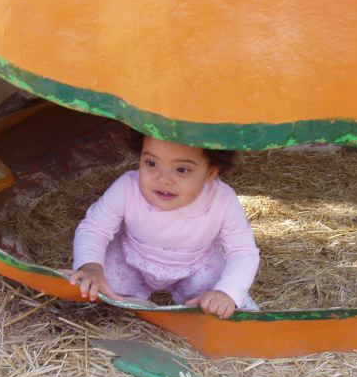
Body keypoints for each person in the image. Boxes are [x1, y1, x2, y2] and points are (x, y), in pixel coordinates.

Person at [65, 132, 260, 319]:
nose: (163, 179)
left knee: (220, 304)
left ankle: (229, 311)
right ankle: (129, 303)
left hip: (196, 266)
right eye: (151, 163)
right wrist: (91, 266)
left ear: (210, 173)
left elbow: (242, 251)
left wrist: (227, 291)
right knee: (97, 287)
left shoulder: (222, 200)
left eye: (181, 170)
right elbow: (94, 228)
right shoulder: (127, 187)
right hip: (130, 261)